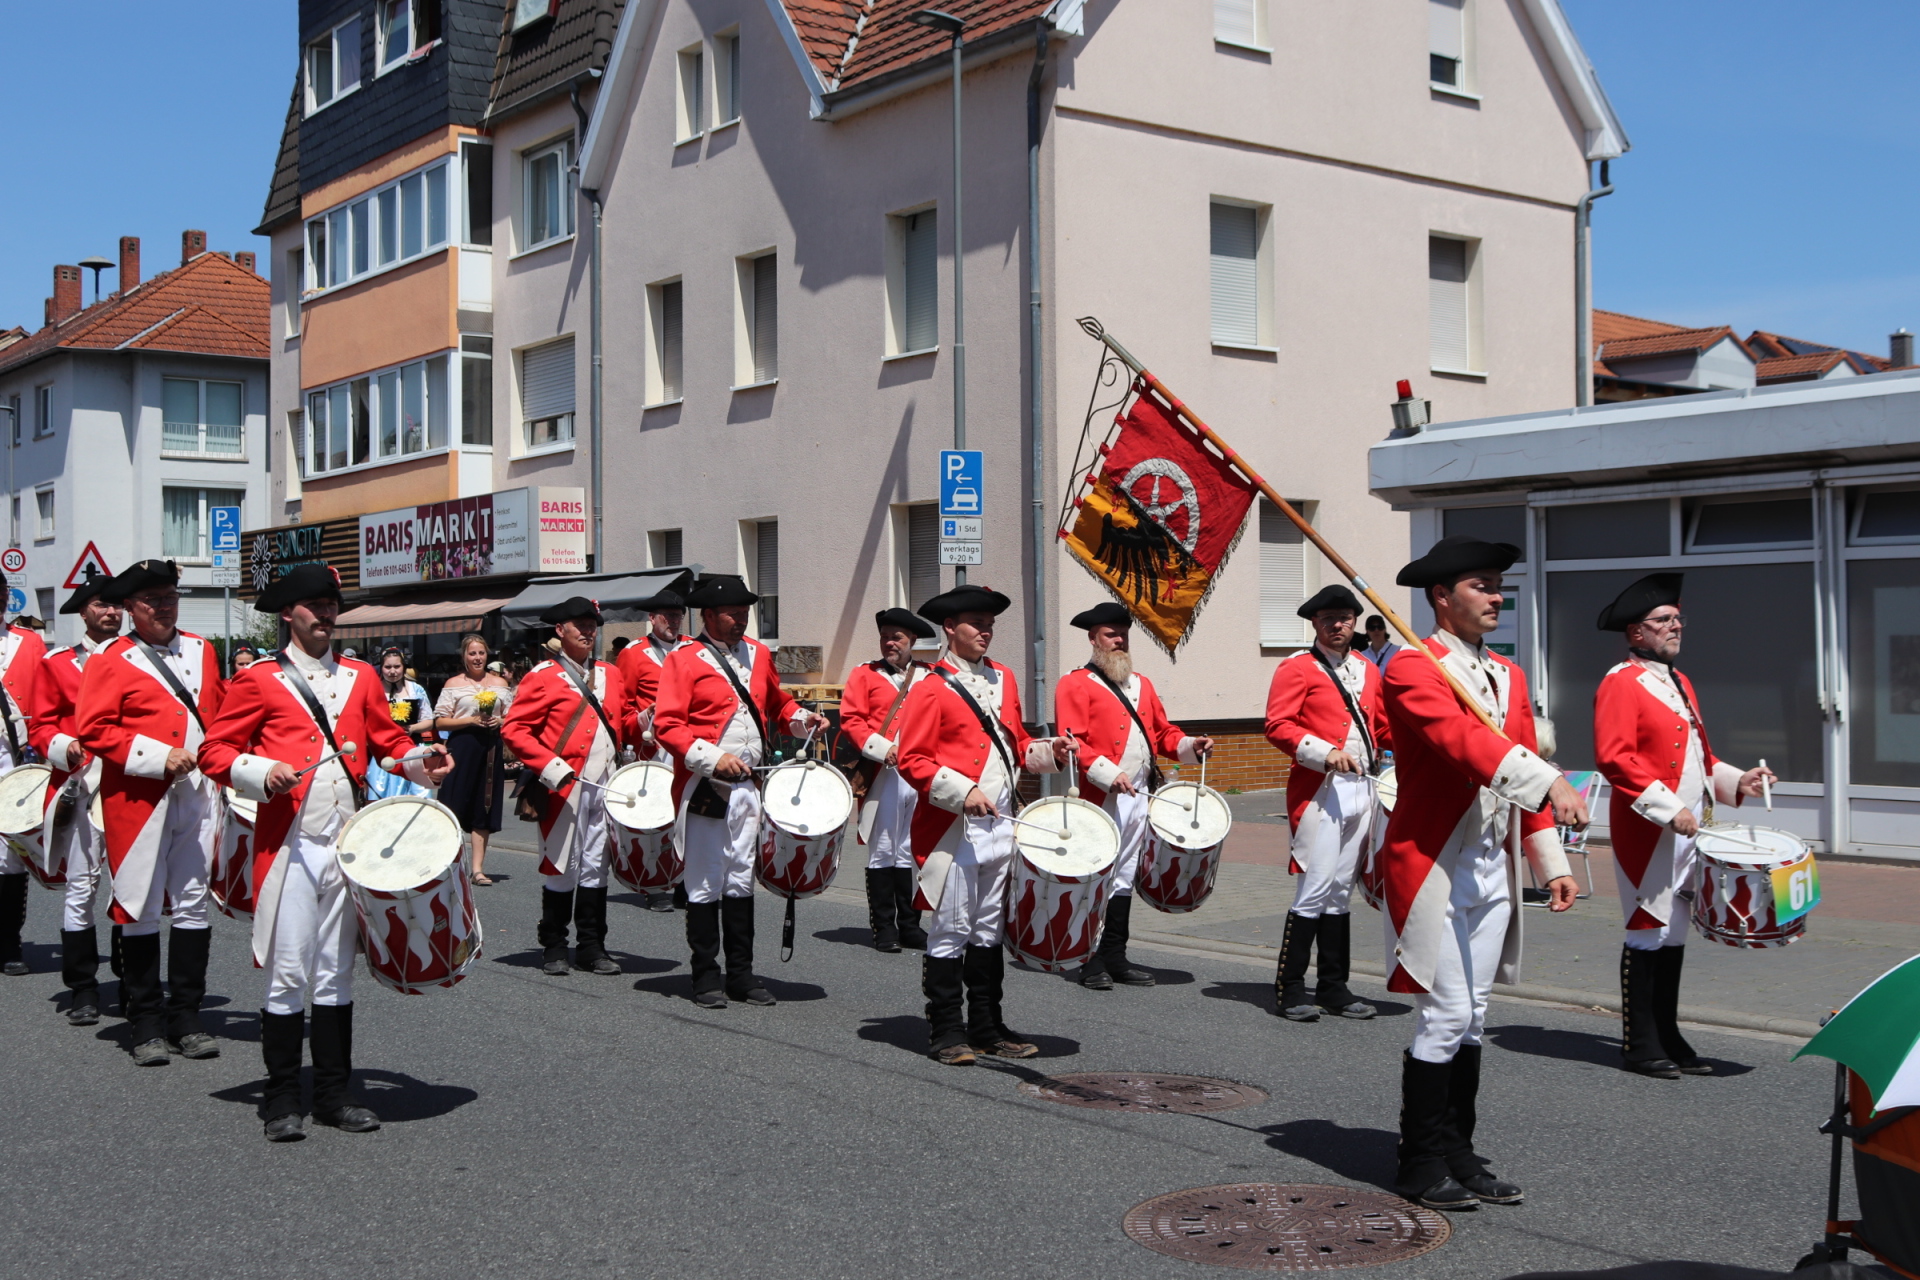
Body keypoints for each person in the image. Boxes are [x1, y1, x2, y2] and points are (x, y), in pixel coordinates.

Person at [200, 563, 451, 1141]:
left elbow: (387, 744)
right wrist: (262, 771)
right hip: (289, 847)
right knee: (289, 974)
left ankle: (335, 1095)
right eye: (316, 605)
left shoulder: (361, 676)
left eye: (333, 605)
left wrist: (422, 761)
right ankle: (282, 1098)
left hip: (346, 845)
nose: (328, 614)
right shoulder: (261, 678)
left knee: (337, 975)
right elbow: (216, 750)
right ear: (289, 613)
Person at [1379, 535, 1587, 1211]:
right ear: (1441, 597)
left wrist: (1548, 860)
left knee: (1474, 1016)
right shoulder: (1410, 668)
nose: (1498, 595)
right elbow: (1465, 745)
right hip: (1434, 864)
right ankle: (1419, 1161)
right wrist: (1550, 778)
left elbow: (1514, 754)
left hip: (1492, 866)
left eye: (1499, 585)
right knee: (1443, 1014)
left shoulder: (1509, 676)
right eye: (1481, 584)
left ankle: (1458, 1150)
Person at [1592, 573, 1773, 1079]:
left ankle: (1668, 1036)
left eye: (1677, 619)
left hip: (1689, 832)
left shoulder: (1679, 679)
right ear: (1636, 633)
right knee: (1647, 931)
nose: (1675, 627)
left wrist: (1741, 782)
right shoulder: (1618, 683)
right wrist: (1671, 809)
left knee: (1674, 935)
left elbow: (1700, 756)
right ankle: (1639, 1044)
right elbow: (1616, 759)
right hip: (1649, 833)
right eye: (1663, 620)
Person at [895, 585, 1070, 1065]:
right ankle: (946, 1030)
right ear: (951, 629)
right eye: (975, 623)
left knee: (989, 928)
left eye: (990, 623)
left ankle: (988, 1026)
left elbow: (1014, 747)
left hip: (1001, 824)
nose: (985, 631)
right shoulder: (930, 686)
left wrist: (1049, 752)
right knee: (951, 927)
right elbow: (912, 759)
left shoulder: (1005, 679)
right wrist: (962, 790)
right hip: (953, 829)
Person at [75, 559, 226, 1067]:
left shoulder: (204, 651)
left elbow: (220, 715)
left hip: (198, 794)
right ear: (131, 609)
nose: (164, 607)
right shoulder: (110, 658)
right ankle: (144, 1022)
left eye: (170, 598)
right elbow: (93, 729)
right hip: (138, 800)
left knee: (191, 903)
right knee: (138, 907)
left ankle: (187, 1017)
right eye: (152, 601)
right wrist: (157, 756)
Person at [653, 575, 826, 1009]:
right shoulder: (684, 659)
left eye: (745, 612)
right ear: (708, 616)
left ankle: (742, 974)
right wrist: (712, 758)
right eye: (732, 613)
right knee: (705, 881)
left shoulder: (759, 653)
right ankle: (706, 976)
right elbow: (667, 725)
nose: (740, 619)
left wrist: (804, 719)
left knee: (739, 879)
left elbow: (776, 705)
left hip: (750, 785)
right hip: (705, 786)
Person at [1055, 601, 1209, 990]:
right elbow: (1074, 744)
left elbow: (1163, 734)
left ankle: (1114, 955)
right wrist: (1111, 773)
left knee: (1123, 878)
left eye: (1123, 634)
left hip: (1139, 798)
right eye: (1110, 634)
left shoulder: (1142, 684)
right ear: (1093, 640)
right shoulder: (1074, 684)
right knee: (1094, 877)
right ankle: (1087, 960)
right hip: (1100, 797)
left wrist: (1192, 744)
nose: (1119, 640)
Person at [1264, 585, 1393, 1021]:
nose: (1336, 625)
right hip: (1321, 792)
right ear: (1315, 624)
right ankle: (1291, 987)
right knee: (1315, 886)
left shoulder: (1368, 669)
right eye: (1327, 619)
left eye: (1343, 617)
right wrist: (1322, 751)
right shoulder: (1296, 667)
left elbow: (1382, 730)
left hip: (1363, 792)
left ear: (1355, 622)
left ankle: (1334, 987)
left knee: (1340, 892)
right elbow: (1277, 725)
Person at [500, 598, 636, 978]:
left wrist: (645, 719)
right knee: (561, 867)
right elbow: (514, 730)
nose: (589, 631)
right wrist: (550, 767)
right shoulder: (542, 675)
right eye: (580, 625)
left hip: (606, 786)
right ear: (560, 631)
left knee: (596, 867)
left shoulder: (611, 673)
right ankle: (555, 946)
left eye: (593, 625)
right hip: (563, 787)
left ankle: (592, 947)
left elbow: (623, 722)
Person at [29, 572, 124, 1023]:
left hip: (133, 784)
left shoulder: (140, 659)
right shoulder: (57, 662)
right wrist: (62, 747)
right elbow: (40, 725)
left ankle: (131, 981)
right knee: (82, 886)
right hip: (84, 784)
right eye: (103, 605)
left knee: (133, 886)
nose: (112, 612)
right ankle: (83, 987)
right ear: (84, 612)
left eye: (117, 605)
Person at [838, 607, 937, 953]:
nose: (889, 643)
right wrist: (883, 748)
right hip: (884, 774)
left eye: (896, 637)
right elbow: (851, 720)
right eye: (885, 637)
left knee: (911, 851)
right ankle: (884, 928)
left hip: (920, 775)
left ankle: (910, 925)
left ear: (912, 641)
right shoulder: (864, 675)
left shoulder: (931, 676)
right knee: (883, 851)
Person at [615, 589, 692, 912]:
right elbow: (623, 707)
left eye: (677, 617)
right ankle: (656, 882)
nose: (673, 622)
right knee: (657, 818)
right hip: (654, 747)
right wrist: (642, 719)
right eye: (667, 617)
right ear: (652, 619)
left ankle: (688, 882)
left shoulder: (693, 649)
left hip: (689, 744)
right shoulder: (633, 654)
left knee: (689, 815)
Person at [432, 635, 512, 886]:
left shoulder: (499, 683)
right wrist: (469, 720)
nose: (477, 658)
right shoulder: (453, 683)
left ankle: (477, 869)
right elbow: (440, 720)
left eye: (481, 653)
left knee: (484, 804)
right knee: (454, 801)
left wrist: (498, 721)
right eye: (472, 653)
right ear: (464, 657)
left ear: (487, 655)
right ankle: (448, 863)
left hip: (490, 747)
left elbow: (512, 716)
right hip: (462, 745)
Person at [0, 608, 47, 976]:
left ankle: (9, 942)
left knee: (12, 853)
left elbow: (44, 699)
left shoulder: (29, 642)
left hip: (13, 756)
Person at [364, 647, 432, 800]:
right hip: (383, 751)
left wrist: (412, 728)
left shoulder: (416, 689)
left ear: (404, 667)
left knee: (415, 797)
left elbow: (429, 721)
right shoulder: (373, 690)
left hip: (412, 747)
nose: (392, 671)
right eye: (388, 667)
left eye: (397, 666)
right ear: (381, 667)